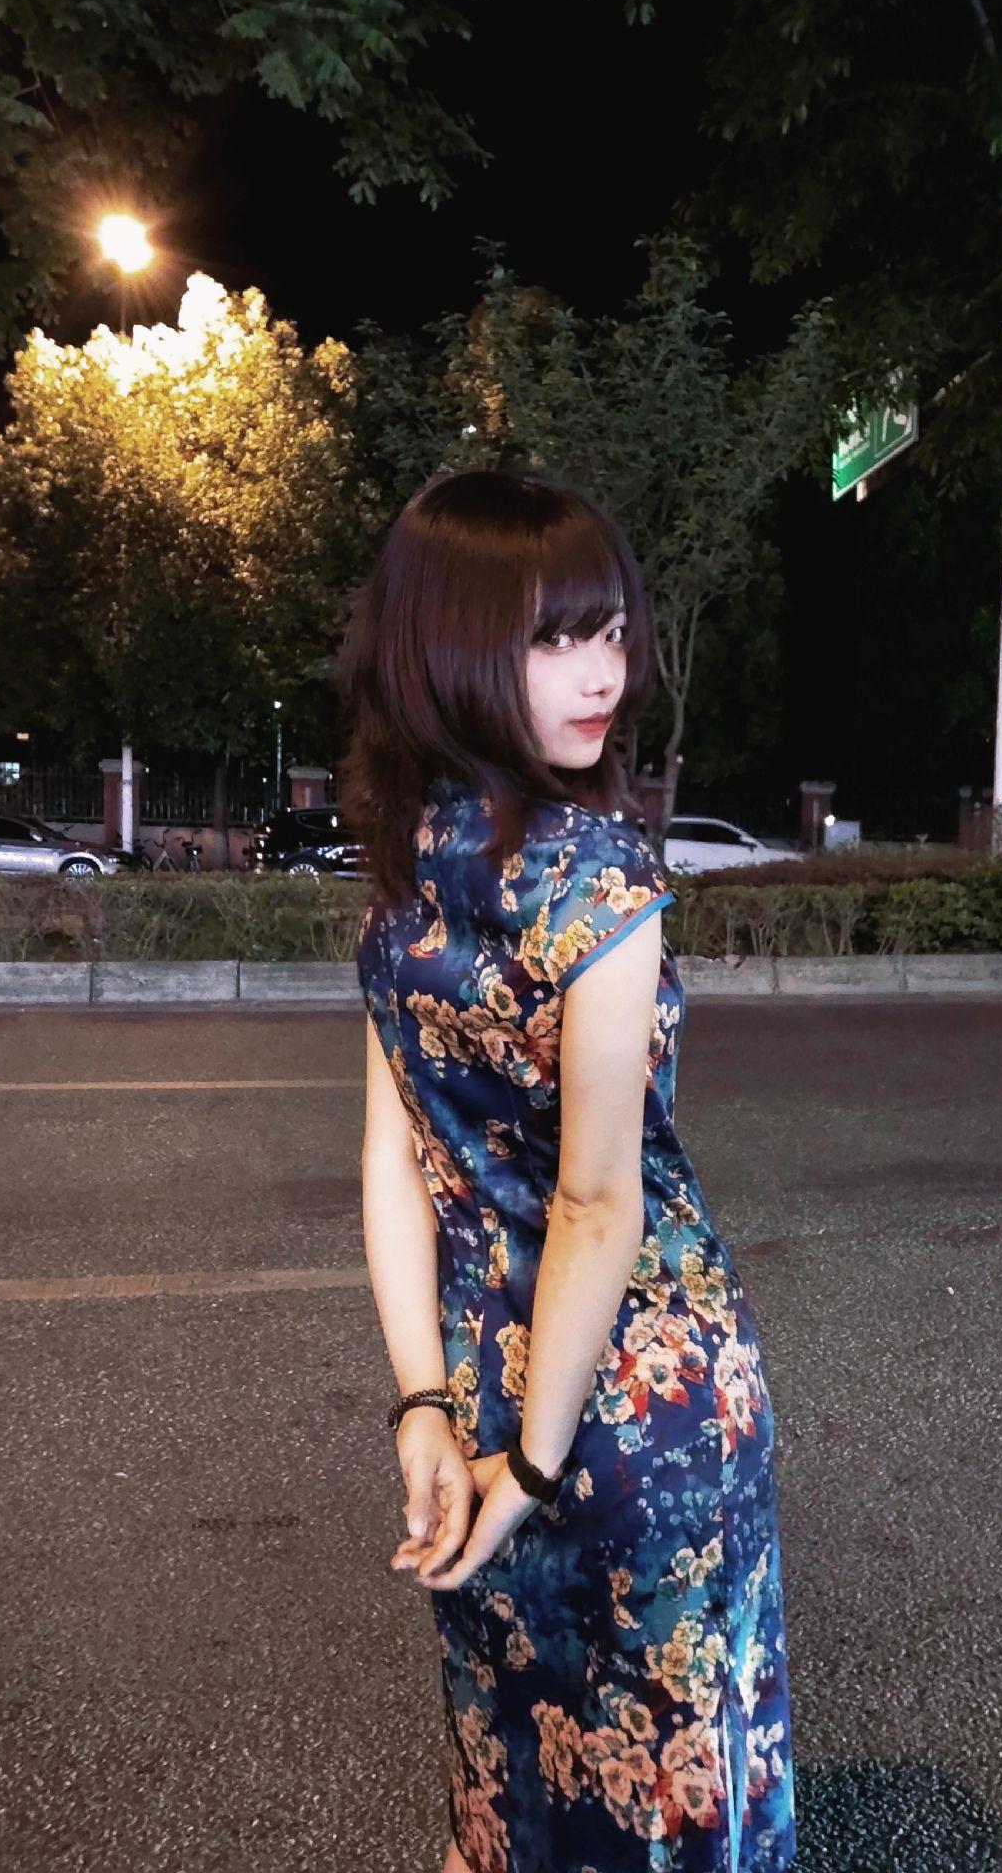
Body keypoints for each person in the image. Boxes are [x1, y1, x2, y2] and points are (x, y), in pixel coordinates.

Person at [339, 466, 797, 1873]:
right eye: (553, 638)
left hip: (482, 1381)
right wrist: (535, 1468)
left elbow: (393, 1161)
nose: (603, 673)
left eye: (608, 632)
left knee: (513, 1771)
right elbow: (600, 1203)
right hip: (635, 1400)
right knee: (661, 1788)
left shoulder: (403, 869)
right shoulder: (600, 880)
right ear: (451, 645)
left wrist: (427, 1407)